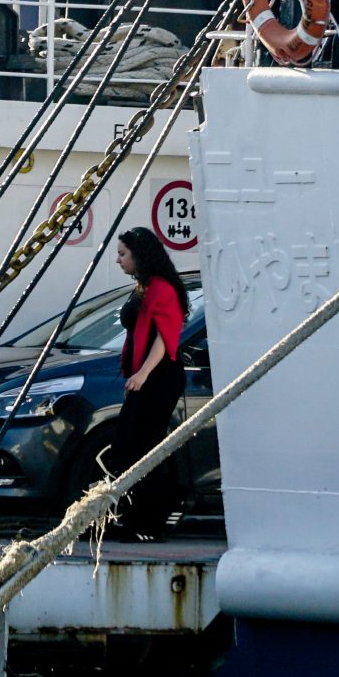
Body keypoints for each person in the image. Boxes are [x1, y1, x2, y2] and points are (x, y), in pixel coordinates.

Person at [107, 227, 191, 541]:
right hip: (143, 379)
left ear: (140, 255)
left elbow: (165, 338)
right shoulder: (144, 287)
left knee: (143, 447)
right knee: (126, 445)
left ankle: (152, 522)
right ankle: (137, 516)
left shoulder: (163, 289)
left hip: (159, 378)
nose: (118, 260)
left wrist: (142, 373)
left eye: (122, 254)